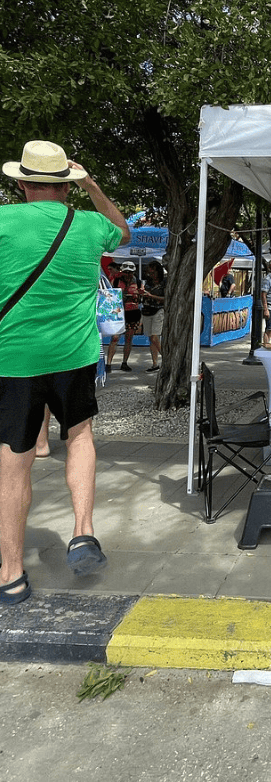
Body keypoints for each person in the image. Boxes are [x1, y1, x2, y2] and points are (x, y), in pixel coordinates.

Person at [0, 140, 129, 604]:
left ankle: (12, 573)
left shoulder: (3, 220)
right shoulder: (92, 225)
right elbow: (125, 230)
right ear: (67, 185)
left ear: (20, 182)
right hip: (74, 355)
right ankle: (82, 532)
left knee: (13, 463)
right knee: (79, 436)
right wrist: (92, 185)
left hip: (13, 359)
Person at [106, 261, 141, 371]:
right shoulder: (116, 281)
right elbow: (110, 296)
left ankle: (124, 362)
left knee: (129, 338)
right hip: (119, 313)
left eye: (130, 273)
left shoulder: (138, 283)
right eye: (126, 272)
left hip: (133, 313)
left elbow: (141, 298)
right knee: (115, 338)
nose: (128, 275)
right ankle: (108, 364)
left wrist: (137, 296)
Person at [138, 260, 165, 372]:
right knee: (152, 339)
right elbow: (143, 298)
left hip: (158, 310)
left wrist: (151, 296)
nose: (151, 275)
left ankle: (166, 358)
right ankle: (155, 364)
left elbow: (166, 299)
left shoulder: (164, 282)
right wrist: (142, 294)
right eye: (149, 272)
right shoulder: (147, 283)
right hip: (147, 310)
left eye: (153, 272)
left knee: (155, 337)